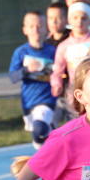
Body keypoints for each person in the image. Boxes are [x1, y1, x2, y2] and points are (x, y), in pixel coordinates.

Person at [9, 11, 57, 149]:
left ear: (46, 28)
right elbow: (13, 77)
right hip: (28, 102)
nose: (36, 29)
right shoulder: (21, 52)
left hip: (48, 100)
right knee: (39, 136)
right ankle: (44, 147)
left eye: (39, 25)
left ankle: (45, 138)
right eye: (31, 26)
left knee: (39, 128)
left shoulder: (53, 51)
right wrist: (26, 70)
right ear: (25, 30)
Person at [50, 2, 90, 125]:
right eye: (75, 17)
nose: (79, 21)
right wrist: (56, 85)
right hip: (74, 94)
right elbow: (57, 71)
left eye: (84, 18)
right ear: (69, 20)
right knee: (76, 126)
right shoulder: (64, 46)